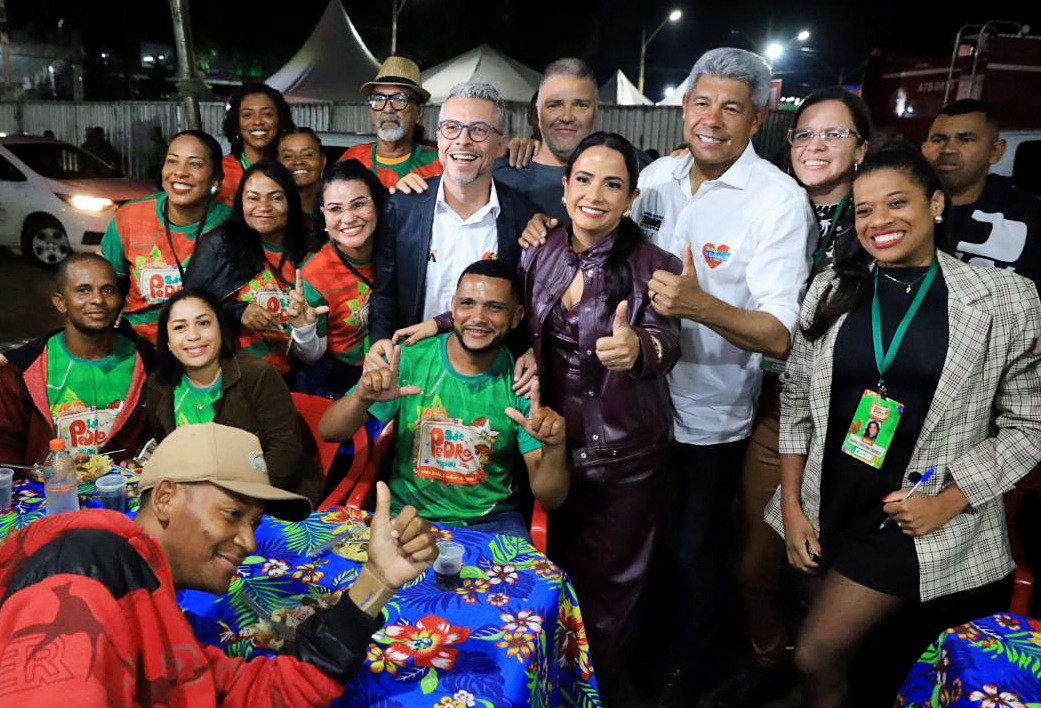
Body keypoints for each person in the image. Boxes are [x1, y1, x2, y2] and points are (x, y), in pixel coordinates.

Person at [765, 142, 1041, 708]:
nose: (879, 221)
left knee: (815, 655)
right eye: (864, 210)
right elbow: (795, 400)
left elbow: (1030, 427)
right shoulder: (833, 287)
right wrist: (791, 505)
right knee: (861, 659)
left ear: (935, 204)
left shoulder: (1004, 298)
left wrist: (950, 500)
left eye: (897, 203)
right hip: (829, 499)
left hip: (914, 516)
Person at [0, 421, 437, 706]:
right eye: (232, 514)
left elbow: (253, 692)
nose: (250, 541)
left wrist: (376, 581)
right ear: (166, 497)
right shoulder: (80, 581)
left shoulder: (148, 596)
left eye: (254, 522)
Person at [629, 47, 816, 707]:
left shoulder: (778, 201)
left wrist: (697, 304)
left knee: (695, 552)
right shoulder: (654, 177)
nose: (712, 119)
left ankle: (685, 675)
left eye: (731, 108)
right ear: (683, 107)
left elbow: (780, 334)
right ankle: (639, 655)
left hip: (710, 415)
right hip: (634, 405)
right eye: (702, 102)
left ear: (758, 118)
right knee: (647, 543)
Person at [717, 86, 872, 708]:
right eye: (805, 133)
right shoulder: (770, 202)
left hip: (858, 422)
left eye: (834, 134)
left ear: (862, 149)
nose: (816, 146)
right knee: (758, 561)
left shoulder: (880, 218)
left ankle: (830, 670)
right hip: (776, 408)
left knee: (836, 562)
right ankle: (771, 660)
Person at [520, 131, 681, 704]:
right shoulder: (538, 248)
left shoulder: (655, 265)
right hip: (548, 447)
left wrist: (638, 349)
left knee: (610, 594)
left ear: (631, 198)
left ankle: (598, 692)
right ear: (564, 188)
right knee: (548, 578)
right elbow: (515, 317)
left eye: (612, 184)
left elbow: (668, 343)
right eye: (584, 180)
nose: (595, 194)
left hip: (623, 460)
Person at [318, 259, 570, 538]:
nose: (478, 317)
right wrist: (362, 397)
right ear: (453, 307)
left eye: (494, 307)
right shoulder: (409, 359)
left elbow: (551, 498)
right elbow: (329, 431)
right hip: (407, 515)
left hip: (491, 522)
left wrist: (555, 447)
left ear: (516, 316)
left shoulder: (521, 381)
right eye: (467, 304)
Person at [367, 80, 536, 345]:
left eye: (479, 130)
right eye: (452, 128)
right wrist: (380, 341)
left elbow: (527, 307)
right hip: (413, 360)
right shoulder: (402, 208)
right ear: (439, 137)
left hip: (492, 365)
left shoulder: (525, 218)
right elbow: (385, 294)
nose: (463, 140)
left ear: (501, 144)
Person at [146, 288, 322, 502]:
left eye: (203, 323)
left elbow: (285, 450)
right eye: (180, 327)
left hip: (263, 496)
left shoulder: (258, 374)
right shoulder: (160, 384)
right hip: (194, 498)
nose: (193, 336)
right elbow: (166, 446)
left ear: (221, 329)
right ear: (168, 342)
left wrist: (239, 501)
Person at [0, 254, 152, 466]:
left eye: (108, 290)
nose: (98, 300)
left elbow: (160, 435)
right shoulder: (23, 368)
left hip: (123, 487)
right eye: (83, 290)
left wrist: (142, 464)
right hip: (47, 487)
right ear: (61, 303)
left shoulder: (149, 362)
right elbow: (6, 444)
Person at [102, 129, 231, 344]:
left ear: (216, 178)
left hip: (203, 343)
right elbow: (109, 283)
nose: (180, 172)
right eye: (172, 161)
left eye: (195, 164)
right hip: (140, 341)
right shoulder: (130, 217)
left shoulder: (231, 224)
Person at [186, 161, 311, 377]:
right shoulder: (218, 245)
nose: (264, 207)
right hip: (231, 371)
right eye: (253, 198)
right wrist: (238, 312)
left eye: (276, 198)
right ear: (240, 201)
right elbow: (188, 306)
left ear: (290, 201)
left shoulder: (309, 246)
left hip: (298, 371)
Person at [289, 159, 388, 398]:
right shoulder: (314, 274)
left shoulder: (399, 246)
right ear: (323, 214)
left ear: (377, 203)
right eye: (335, 209)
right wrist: (304, 328)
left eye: (358, 204)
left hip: (396, 364)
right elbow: (312, 356)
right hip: (341, 379)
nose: (348, 218)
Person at [922, 98, 1041, 290]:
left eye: (965, 139)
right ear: (924, 149)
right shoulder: (898, 207)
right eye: (938, 140)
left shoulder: (1030, 216)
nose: (948, 149)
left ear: (996, 151)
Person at [337, 56, 442, 189]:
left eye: (400, 99)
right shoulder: (352, 158)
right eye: (379, 99)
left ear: (419, 112)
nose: (388, 109)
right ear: (371, 112)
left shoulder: (438, 164)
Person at [218, 83, 295, 205]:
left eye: (267, 114)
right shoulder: (219, 171)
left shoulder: (292, 167)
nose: (258, 121)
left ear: (280, 120)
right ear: (237, 123)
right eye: (247, 115)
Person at [277, 127, 327, 232]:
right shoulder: (274, 213)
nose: (298, 161)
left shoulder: (337, 206)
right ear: (277, 163)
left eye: (307, 155)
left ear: (322, 161)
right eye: (288, 156)